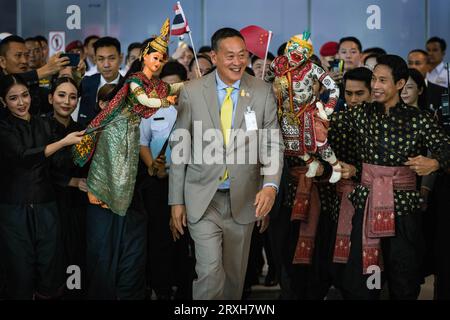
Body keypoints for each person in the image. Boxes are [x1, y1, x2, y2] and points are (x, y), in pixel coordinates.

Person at [169, 27, 284, 300]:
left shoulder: (262, 91)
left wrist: (269, 187)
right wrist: (176, 201)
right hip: (202, 198)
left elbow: (272, 144)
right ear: (214, 56)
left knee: (234, 278)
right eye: (229, 55)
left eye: (242, 55)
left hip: (243, 199)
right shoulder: (191, 91)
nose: (237, 62)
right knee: (209, 272)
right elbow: (179, 149)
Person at [73, 19, 182, 299]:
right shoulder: (130, 88)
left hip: (134, 189)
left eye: (161, 57)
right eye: (154, 57)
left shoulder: (143, 86)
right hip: (103, 189)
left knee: (132, 254)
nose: (157, 62)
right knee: (102, 254)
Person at [334, 55, 450, 300]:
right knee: (363, 277)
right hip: (366, 203)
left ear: (399, 84)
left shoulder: (419, 118)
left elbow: (445, 148)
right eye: (374, 79)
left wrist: (435, 162)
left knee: (403, 275)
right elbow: (328, 129)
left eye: (382, 80)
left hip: (404, 207)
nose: (375, 85)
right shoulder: (359, 114)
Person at [0, 74, 84, 299]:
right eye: (13, 98)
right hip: (14, 210)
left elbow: (59, 164)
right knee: (20, 272)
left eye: (25, 95)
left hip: (46, 206)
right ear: (3, 101)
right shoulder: (4, 128)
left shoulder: (44, 123)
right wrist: (63, 142)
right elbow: (23, 157)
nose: (21, 102)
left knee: (50, 269)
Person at [265, 31, 341, 183]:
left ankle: (336, 166)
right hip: (287, 112)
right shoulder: (278, 63)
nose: (298, 53)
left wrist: (330, 106)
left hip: (310, 109)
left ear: (309, 54)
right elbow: (267, 78)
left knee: (320, 141)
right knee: (289, 143)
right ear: (288, 47)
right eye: (295, 48)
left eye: (304, 51)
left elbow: (334, 88)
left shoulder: (313, 68)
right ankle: (311, 162)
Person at [46, 77, 88, 298]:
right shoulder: (39, 127)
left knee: (75, 255)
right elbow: (36, 168)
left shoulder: (82, 130)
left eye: (73, 97)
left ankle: (74, 293)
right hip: (47, 204)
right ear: (51, 97)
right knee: (50, 258)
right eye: (61, 95)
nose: (66, 101)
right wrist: (69, 181)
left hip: (76, 205)